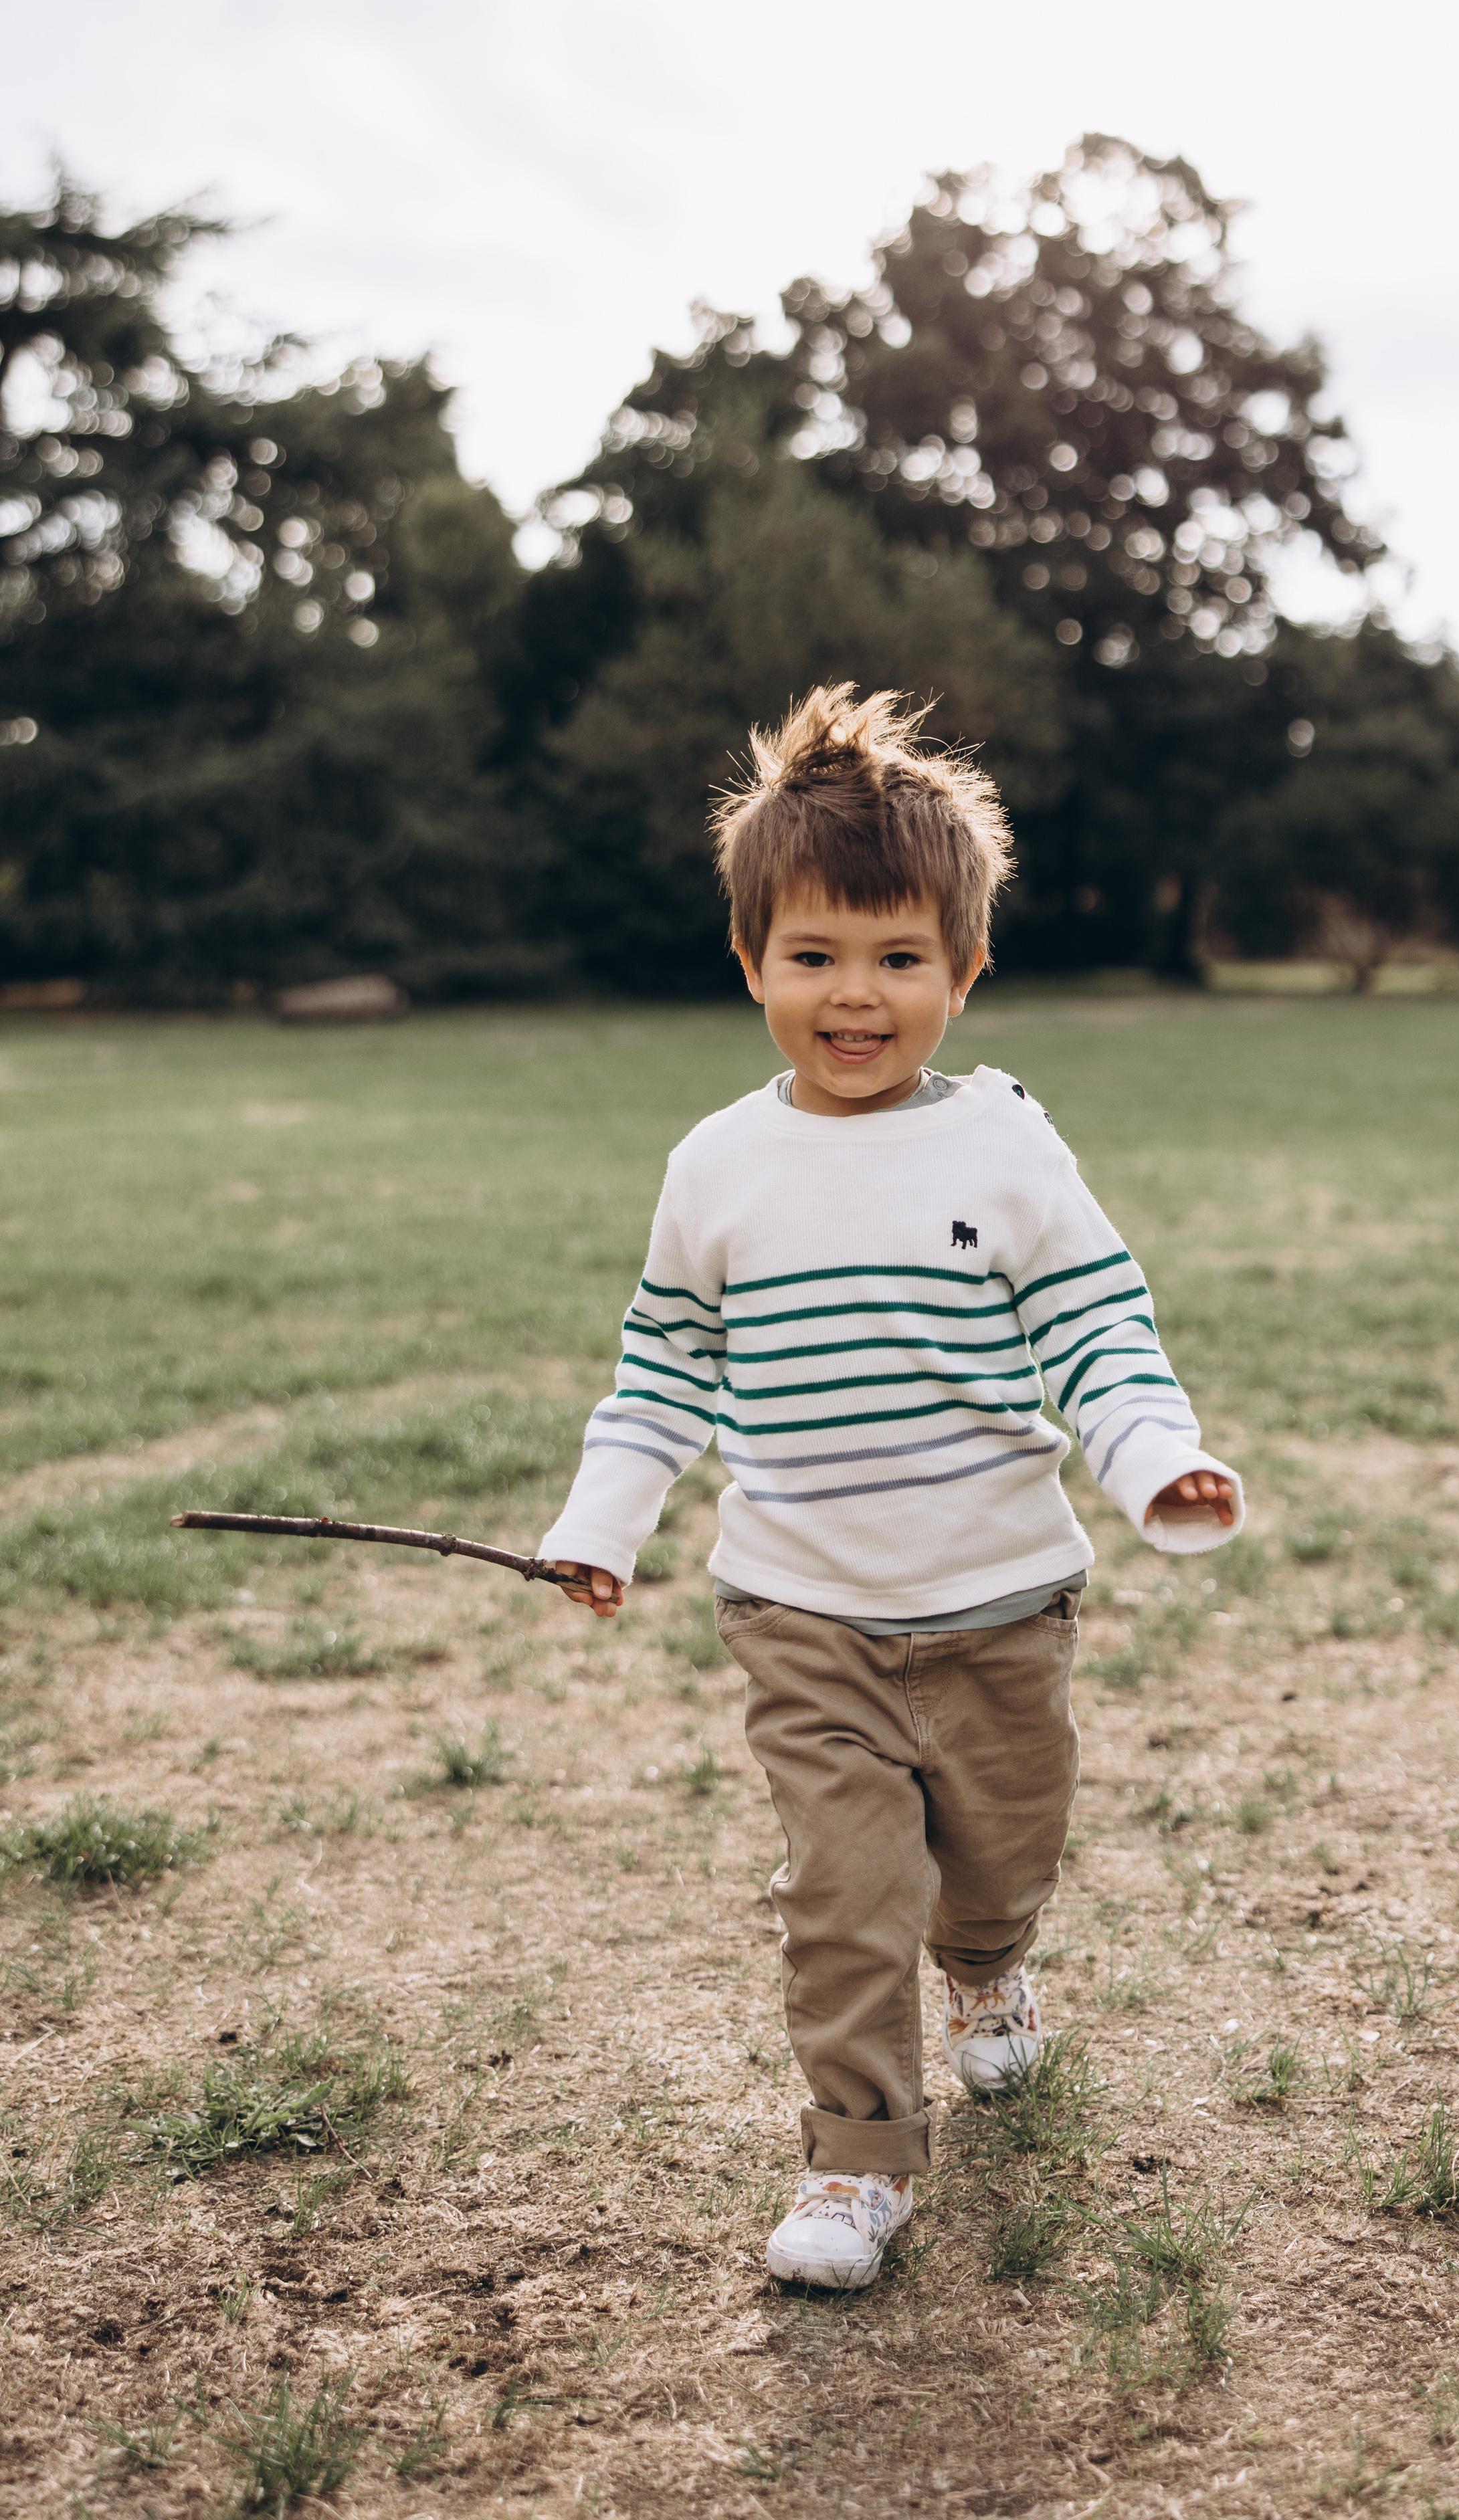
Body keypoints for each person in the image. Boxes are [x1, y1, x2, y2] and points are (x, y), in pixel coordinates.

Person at [540, 684, 1242, 2289]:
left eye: (897, 960)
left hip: (998, 1604)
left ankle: (987, 1966)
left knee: (997, 1856)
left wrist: (1156, 1461)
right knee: (845, 1895)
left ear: (963, 972)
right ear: (749, 962)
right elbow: (662, 1368)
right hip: (803, 1614)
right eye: (812, 956)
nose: (853, 996)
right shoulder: (715, 1167)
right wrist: (601, 1526)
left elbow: (1097, 1330)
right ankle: (857, 2159)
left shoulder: (1003, 1151)